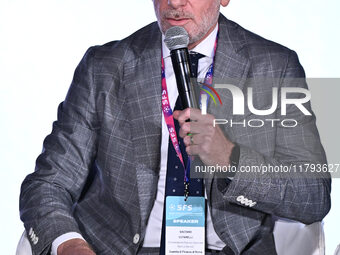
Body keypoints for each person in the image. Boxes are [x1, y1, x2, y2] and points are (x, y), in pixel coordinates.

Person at [19, 0, 331, 254]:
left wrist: (232, 160)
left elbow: (313, 195)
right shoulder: (104, 66)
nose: (175, 3)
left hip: (231, 249)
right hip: (119, 248)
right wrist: (69, 244)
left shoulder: (274, 66)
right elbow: (48, 184)